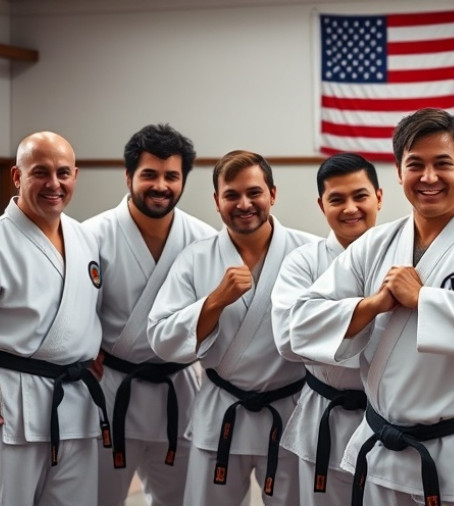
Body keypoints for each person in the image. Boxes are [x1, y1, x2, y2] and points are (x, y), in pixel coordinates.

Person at [289, 108, 454, 506]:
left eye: (443, 164)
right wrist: (372, 305)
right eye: (415, 165)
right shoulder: (375, 245)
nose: (428, 177)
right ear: (399, 172)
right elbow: (300, 322)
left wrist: (423, 299)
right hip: (385, 450)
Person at [147, 150, 318, 506]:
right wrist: (215, 301)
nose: (244, 204)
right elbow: (162, 338)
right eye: (231, 195)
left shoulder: (310, 253)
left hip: (288, 413)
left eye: (254, 193)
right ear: (216, 201)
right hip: (222, 411)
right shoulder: (196, 258)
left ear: (272, 193)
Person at [0, 132, 111, 505]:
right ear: (17, 176)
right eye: (40, 172)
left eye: (63, 173)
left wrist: (93, 347)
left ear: (76, 176)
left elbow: (86, 310)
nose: (54, 184)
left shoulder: (86, 238)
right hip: (8, 405)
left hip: (76, 403)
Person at [84, 124, 216, 506]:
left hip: (179, 389)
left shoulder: (203, 239)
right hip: (111, 389)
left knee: (181, 500)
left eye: (171, 176)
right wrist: (81, 350)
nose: (161, 185)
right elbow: (71, 311)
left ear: (183, 180)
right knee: (98, 498)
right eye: (149, 175)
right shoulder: (91, 235)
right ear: (128, 176)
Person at [271, 152, 382, 506]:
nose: (350, 208)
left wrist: (328, 318)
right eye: (337, 199)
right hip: (326, 415)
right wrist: (371, 309)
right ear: (321, 205)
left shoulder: (406, 255)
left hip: (390, 415)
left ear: (379, 196)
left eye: (360, 196)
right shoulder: (303, 262)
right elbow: (289, 339)